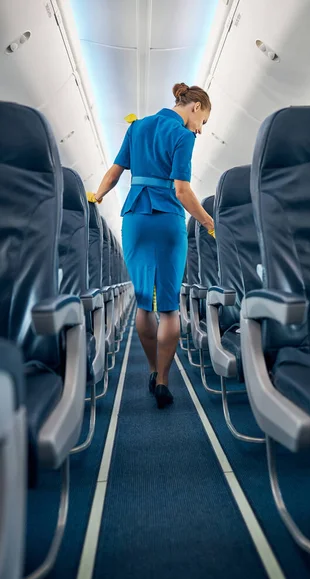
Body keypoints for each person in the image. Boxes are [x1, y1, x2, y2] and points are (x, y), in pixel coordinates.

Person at [88, 82, 214, 409]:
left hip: (135, 218)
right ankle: (163, 382)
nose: (200, 130)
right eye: (203, 122)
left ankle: (152, 368)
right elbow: (182, 191)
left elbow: (115, 173)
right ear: (195, 107)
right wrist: (208, 222)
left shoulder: (137, 126)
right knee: (169, 306)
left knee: (145, 303)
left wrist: (97, 196)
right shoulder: (183, 136)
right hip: (167, 218)